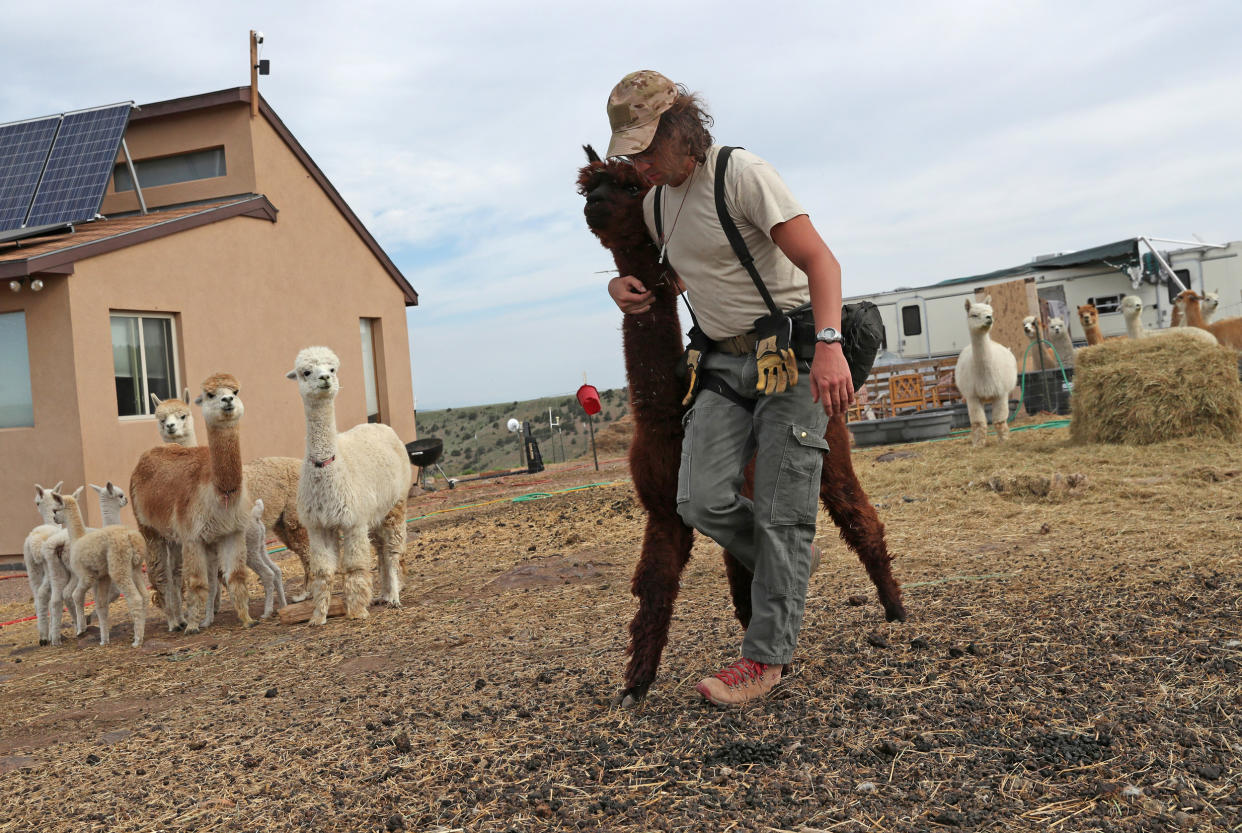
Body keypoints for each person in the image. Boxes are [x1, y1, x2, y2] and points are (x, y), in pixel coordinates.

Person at [602, 70, 854, 706]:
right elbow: (682, 278)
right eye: (629, 151)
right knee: (700, 499)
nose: (639, 163)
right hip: (721, 362)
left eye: (645, 148)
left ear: (681, 128)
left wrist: (828, 347)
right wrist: (623, 288)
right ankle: (788, 561)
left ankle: (763, 661)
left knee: (780, 509)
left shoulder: (741, 176)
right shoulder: (659, 202)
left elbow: (822, 262)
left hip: (789, 354)